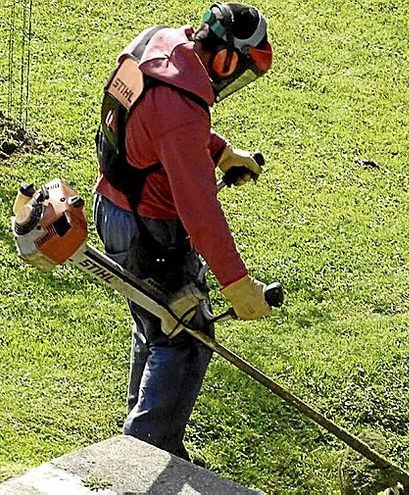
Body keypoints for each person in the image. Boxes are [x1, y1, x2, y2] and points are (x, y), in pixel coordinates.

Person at [92, 3, 274, 460]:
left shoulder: (159, 45)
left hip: (112, 207)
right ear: (226, 60)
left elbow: (153, 128)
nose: (231, 83)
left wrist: (219, 152)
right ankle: (146, 451)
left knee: (158, 325)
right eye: (238, 73)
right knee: (189, 339)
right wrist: (237, 284)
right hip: (149, 231)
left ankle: (143, 434)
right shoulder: (181, 109)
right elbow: (199, 210)